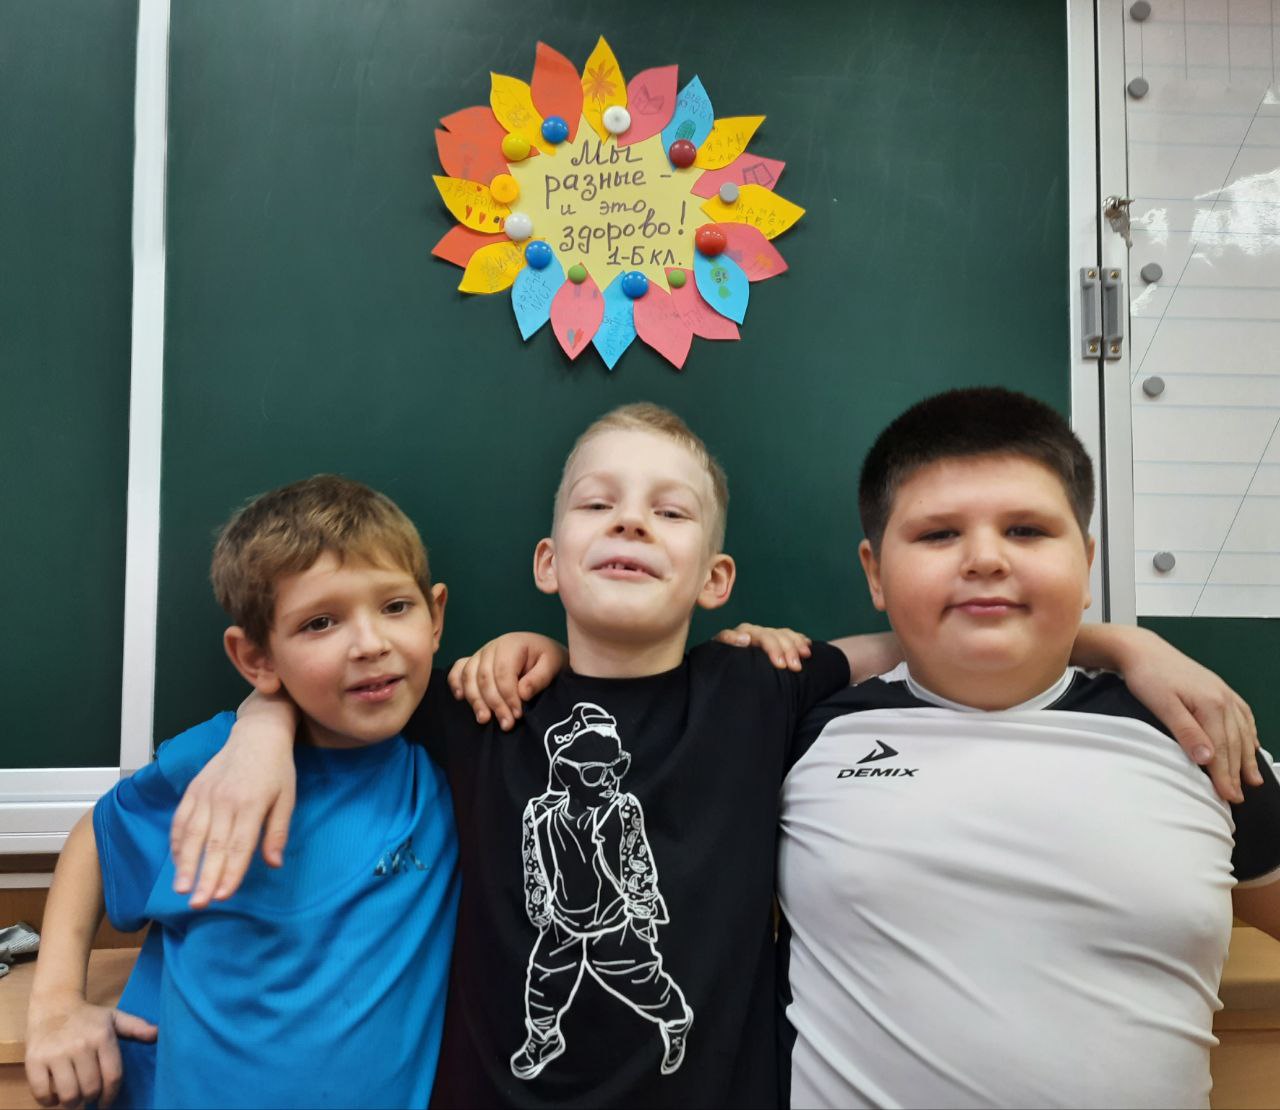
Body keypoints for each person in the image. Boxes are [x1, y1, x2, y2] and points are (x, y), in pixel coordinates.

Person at [171, 404, 1262, 1109]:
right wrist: (261, 725)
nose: (630, 525)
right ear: (548, 561)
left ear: (717, 579)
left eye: (668, 511)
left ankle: (665, 1020)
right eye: (598, 505)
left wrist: (1126, 644)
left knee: (651, 992)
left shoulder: (759, 692)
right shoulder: (482, 706)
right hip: (497, 1079)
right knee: (551, 989)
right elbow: (338, 692)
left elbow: (944, 630)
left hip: (691, 1055)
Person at [773, 387, 1280, 1108]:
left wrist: (1127, 648)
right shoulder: (796, 734)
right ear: (875, 572)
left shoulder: (1198, 734)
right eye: (938, 535)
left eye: (1027, 530)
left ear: (1087, 561)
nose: (985, 558)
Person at [24, 475, 459, 1109]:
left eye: (395, 606)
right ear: (257, 659)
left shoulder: (456, 763)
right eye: (320, 622)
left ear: (435, 615)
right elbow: (99, 836)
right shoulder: (218, 763)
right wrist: (57, 1003)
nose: (371, 644)